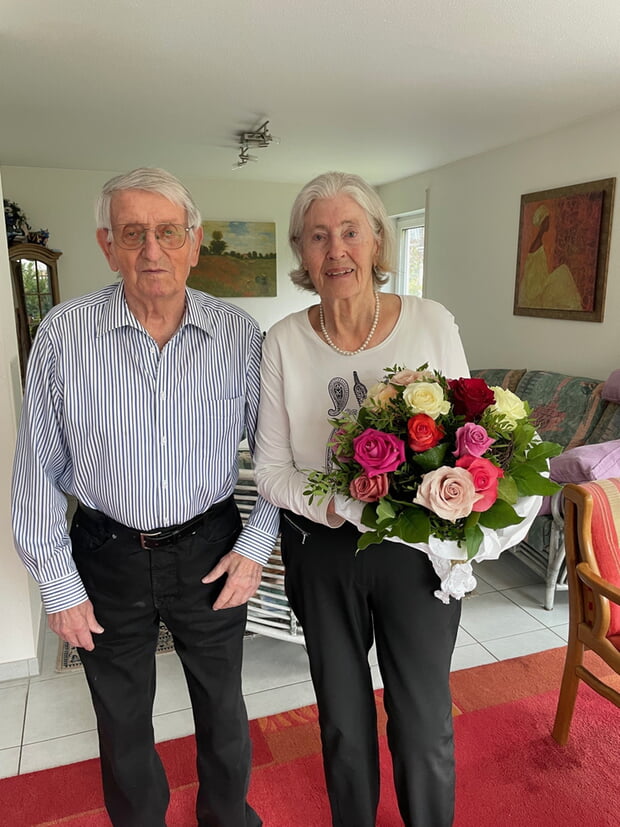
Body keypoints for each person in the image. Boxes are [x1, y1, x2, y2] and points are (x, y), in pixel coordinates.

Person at [11, 167, 280, 827]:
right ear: (108, 245)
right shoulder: (63, 335)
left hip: (212, 547)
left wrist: (253, 547)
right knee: (121, 714)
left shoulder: (241, 337)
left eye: (167, 232)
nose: (151, 250)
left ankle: (227, 816)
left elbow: (276, 459)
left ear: (193, 243)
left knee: (222, 703)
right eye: (134, 233)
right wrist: (57, 583)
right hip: (105, 552)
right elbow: (35, 468)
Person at [253, 171, 470, 827]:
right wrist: (343, 504)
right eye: (318, 236)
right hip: (322, 554)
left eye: (350, 231)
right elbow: (270, 471)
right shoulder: (284, 342)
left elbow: (470, 439)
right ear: (301, 251)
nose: (335, 250)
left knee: (423, 718)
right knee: (344, 722)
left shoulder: (430, 321)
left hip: (415, 548)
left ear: (377, 240)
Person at [517, 204, 582, 310]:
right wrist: (543, 284)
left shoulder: (539, 242)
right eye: (548, 221)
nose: (549, 224)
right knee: (563, 272)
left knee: (563, 272)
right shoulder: (537, 243)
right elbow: (532, 273)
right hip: (537, 287)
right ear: (543, 222)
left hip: (541, 282)